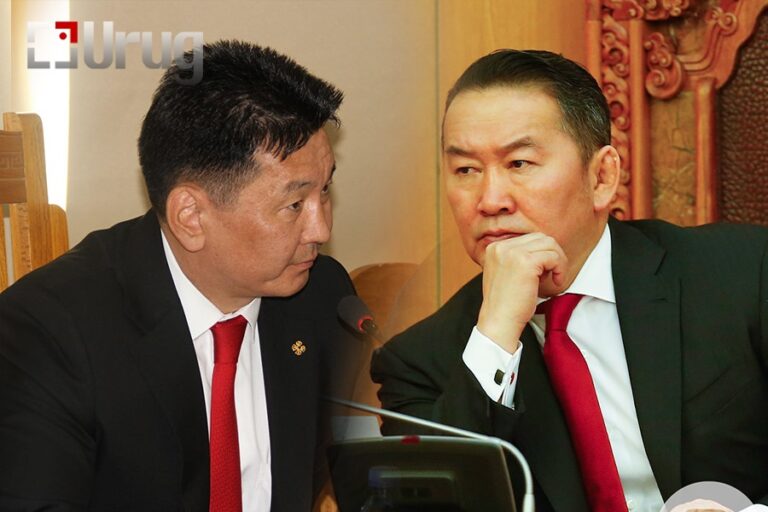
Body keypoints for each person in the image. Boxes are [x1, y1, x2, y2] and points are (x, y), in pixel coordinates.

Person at [371, 49, 768, 512]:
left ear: (602, 177)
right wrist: (497, 333)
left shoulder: (743, 273)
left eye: (519, 163)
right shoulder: (419, 362)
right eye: (466, 171)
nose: (490, 199)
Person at [0, 40, 360, 511]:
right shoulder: (47, 332)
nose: (321, 229)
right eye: (294, 204)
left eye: (325, 190)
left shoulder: (324, 297)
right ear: (190, 216)